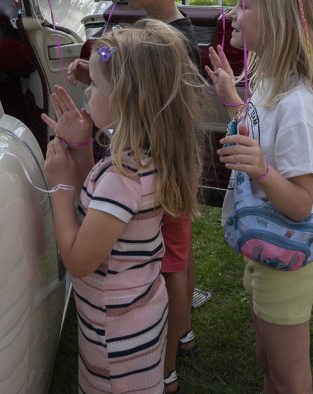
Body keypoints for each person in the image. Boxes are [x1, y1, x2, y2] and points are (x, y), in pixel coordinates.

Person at [68, 0, 203, 394]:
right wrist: (96, 69)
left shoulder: (173, 41)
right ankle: (173, 339)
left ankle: (168, 359)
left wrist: (108, 79)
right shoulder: (146, 29)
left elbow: (154, 98)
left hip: (161, 183)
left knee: (170, 266)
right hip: (145, 179)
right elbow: (120, 57)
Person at [42, 20, 203, 394]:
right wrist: (81, 146)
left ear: (126, 99)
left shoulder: (124, 176)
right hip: (135, 317)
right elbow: (96, 211)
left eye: (95, 85)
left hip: (114, 335)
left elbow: (80, 260)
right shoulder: (146, 155)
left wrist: (60, 185)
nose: (86, 94)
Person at [204, 0, 313, 394]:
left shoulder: (298, 106)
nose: (232, 14)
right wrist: (232, 100)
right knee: (268, 360)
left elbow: (302, 203)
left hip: (287, 258)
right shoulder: (267, 84)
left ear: (277, 23)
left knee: (290, 376)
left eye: (244, 5)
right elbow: (257, 132)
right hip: (264, 245)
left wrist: (262, 169)